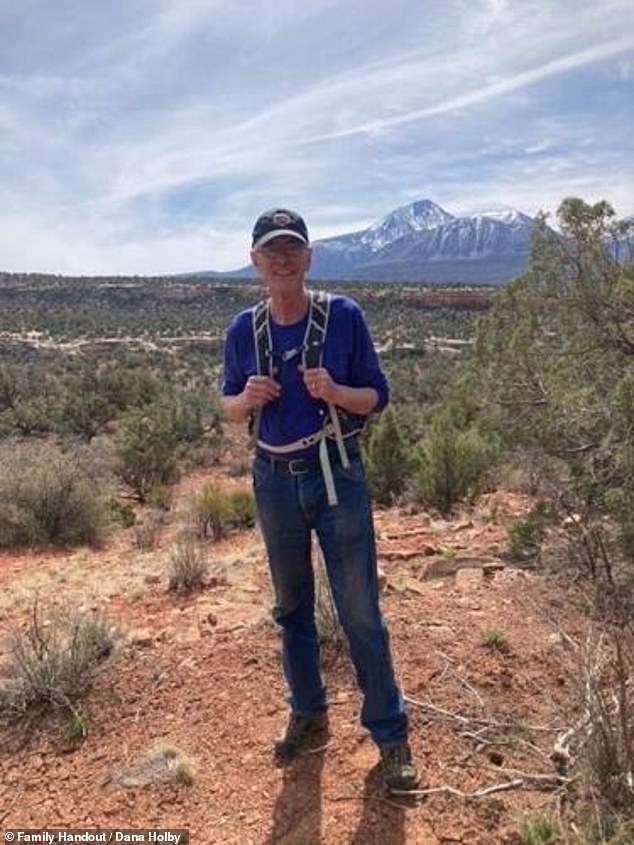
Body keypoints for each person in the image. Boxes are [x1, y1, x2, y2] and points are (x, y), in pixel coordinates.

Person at [219, 208, 419, 792]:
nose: (282, 259)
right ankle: (309, 712)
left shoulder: (344, 318)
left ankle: (390, 734)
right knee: (291, 606)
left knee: (359, 610)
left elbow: (376, 399)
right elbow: (227, 406)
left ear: (308, 258)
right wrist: (243, 400)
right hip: (273, 479)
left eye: (292, 249)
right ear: (255, 262)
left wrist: (335, 390)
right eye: (270, 250)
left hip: (337, 476)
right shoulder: (242, 330)